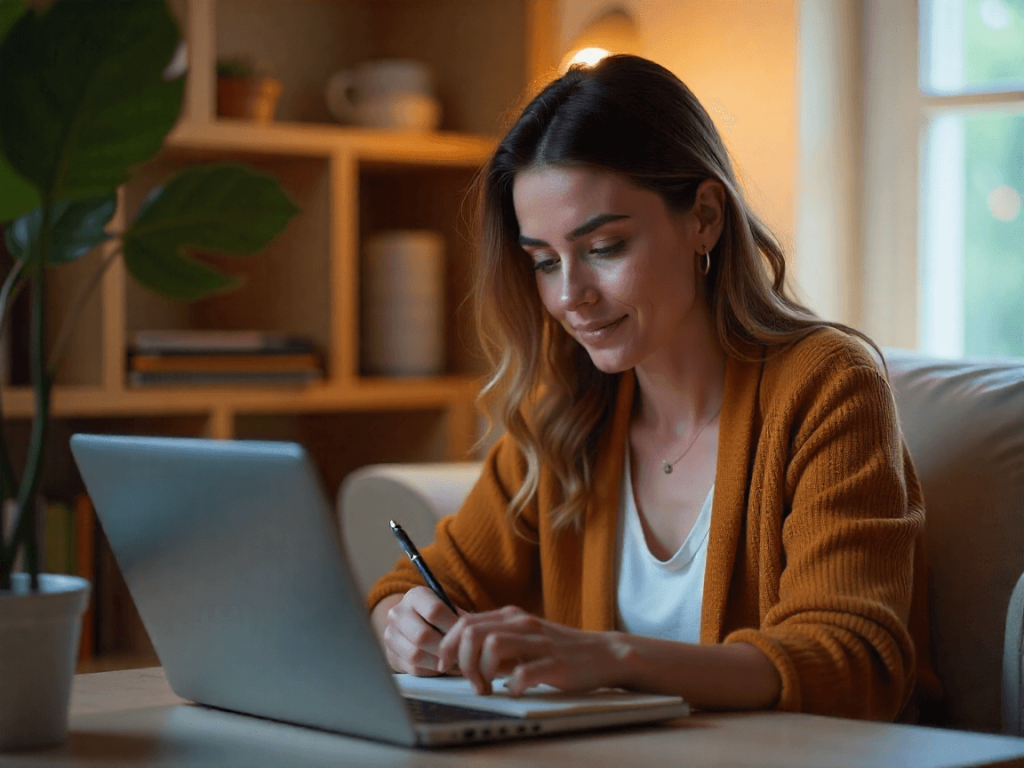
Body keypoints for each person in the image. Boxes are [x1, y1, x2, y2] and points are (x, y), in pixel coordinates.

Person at [368, 54, 941, 721]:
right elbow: (408, 584)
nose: (571, 296)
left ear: (703, 216)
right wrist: (404, 627)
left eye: (604, 247)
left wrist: (611, 657)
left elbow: (849, 662)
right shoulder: (567, 417)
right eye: (545, 262)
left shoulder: (828, 386)